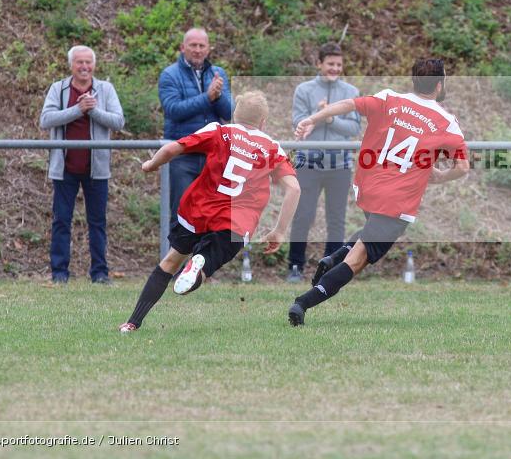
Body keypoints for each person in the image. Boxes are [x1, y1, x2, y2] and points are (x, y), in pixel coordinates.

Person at [287, 58, 470, 326]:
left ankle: (333, 257)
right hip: (398, 200)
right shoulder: (446, 122)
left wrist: (313, 118)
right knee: (358, 260)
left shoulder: (389, 98)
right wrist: (441, 177)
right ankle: (304, 302)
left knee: (368, 235)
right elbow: (463, 167)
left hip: (368, 187)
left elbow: (349, 105)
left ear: (414, 81)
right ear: (440, 85)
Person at [119, 92, 300, 332]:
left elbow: (173, 148)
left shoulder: (219, 131)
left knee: (171, 260)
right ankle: (198, 263)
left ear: (235, 115)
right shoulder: (272, 148)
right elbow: (294, 189)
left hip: (198, 210)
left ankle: (133, 322)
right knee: (203, 269)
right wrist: (278, 231)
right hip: (234, 221)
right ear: (264, 121)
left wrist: (151, 164)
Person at [39, 46, 125, 284]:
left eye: (88, 62)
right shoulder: (58, 89)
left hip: (96, 168)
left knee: (97, 222)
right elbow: (46, 119)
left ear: (94, 65)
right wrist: (78, 109)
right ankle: (59, 274)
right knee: (61, 221)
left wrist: (93, 110)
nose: (84, 67)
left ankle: (99, 273)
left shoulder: (105, 89)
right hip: (64, 168)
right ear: (71, 65)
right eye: (80, 62)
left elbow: (118, 121)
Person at [287, 43, 361, 283]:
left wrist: (328, 117)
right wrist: (318, 116)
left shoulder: (351, 91)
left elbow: (354, 127)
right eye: (330, 64)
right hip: (308, 162)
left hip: (339, 165)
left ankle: (330, 268)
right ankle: (295, 266)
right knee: (303, 215)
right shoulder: (304, 90)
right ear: (319, 64)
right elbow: (298, 122)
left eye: (339, 64)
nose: (335, 68)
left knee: (336, 218)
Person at [159, 28, 232, 230]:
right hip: (182, 155)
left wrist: (218, 96)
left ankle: (202, 262)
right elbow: (173, 110)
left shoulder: (218, 73)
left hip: (214, 155)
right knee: (182, 216)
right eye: (193, 45)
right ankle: (176, 262)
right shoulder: (169, 75)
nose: (197, 50)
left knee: (212, 216)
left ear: (208, 49)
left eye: (202, 46)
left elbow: (229, 113)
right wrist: (207, 97)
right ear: (183, 48)